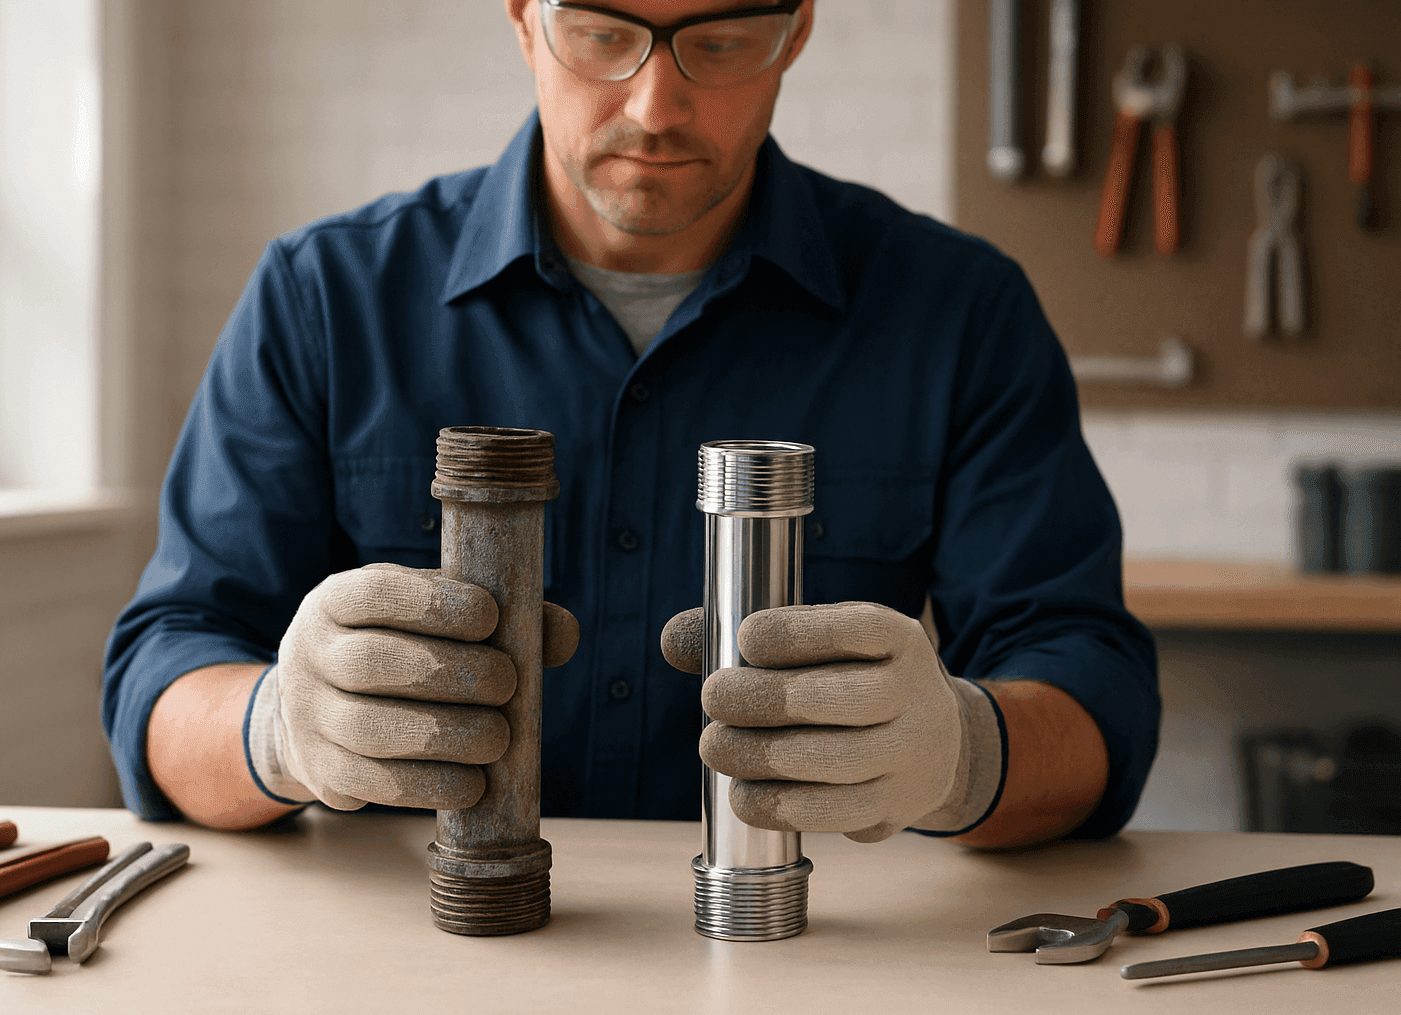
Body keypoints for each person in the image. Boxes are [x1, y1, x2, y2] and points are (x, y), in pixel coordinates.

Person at [103, 0, 1158, 847]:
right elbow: (164, 675)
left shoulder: (961, 313)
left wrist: (965, 753)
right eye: (604, 35)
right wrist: (278, 729)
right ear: (525, 18)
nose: (656, 106)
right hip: (410, 964)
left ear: (796, 31)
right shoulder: (324, 297)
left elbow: (1093, 690)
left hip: (806, 960)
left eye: (721, 41)